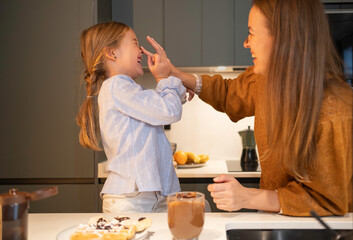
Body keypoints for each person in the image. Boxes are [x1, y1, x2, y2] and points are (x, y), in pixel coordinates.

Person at [142, 0, 352, 216]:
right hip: (280, 221)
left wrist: (247, 197)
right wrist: (174, 73)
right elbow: (230, 93)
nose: (246, 43)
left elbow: (326, 201)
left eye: (251, 33)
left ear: (283, 38)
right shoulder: (269, 80)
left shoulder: (334, 109)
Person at [76, 22, 186, 213]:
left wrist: (175, 89)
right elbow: (168, 110)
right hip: (132, 200)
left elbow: (161, 104)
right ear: (112, 53)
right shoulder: (117, 87)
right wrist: (163, 79)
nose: (141, 50)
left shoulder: (125, 90)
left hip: (141, 196)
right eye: (134, 43)